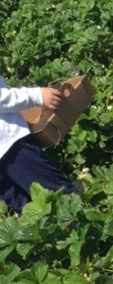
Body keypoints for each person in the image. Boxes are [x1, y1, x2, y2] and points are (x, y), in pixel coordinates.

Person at [0, 75, 78, 212]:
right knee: (60, 197)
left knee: (33, 213)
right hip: (10, 146)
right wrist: (37, 96)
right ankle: (91, 231)